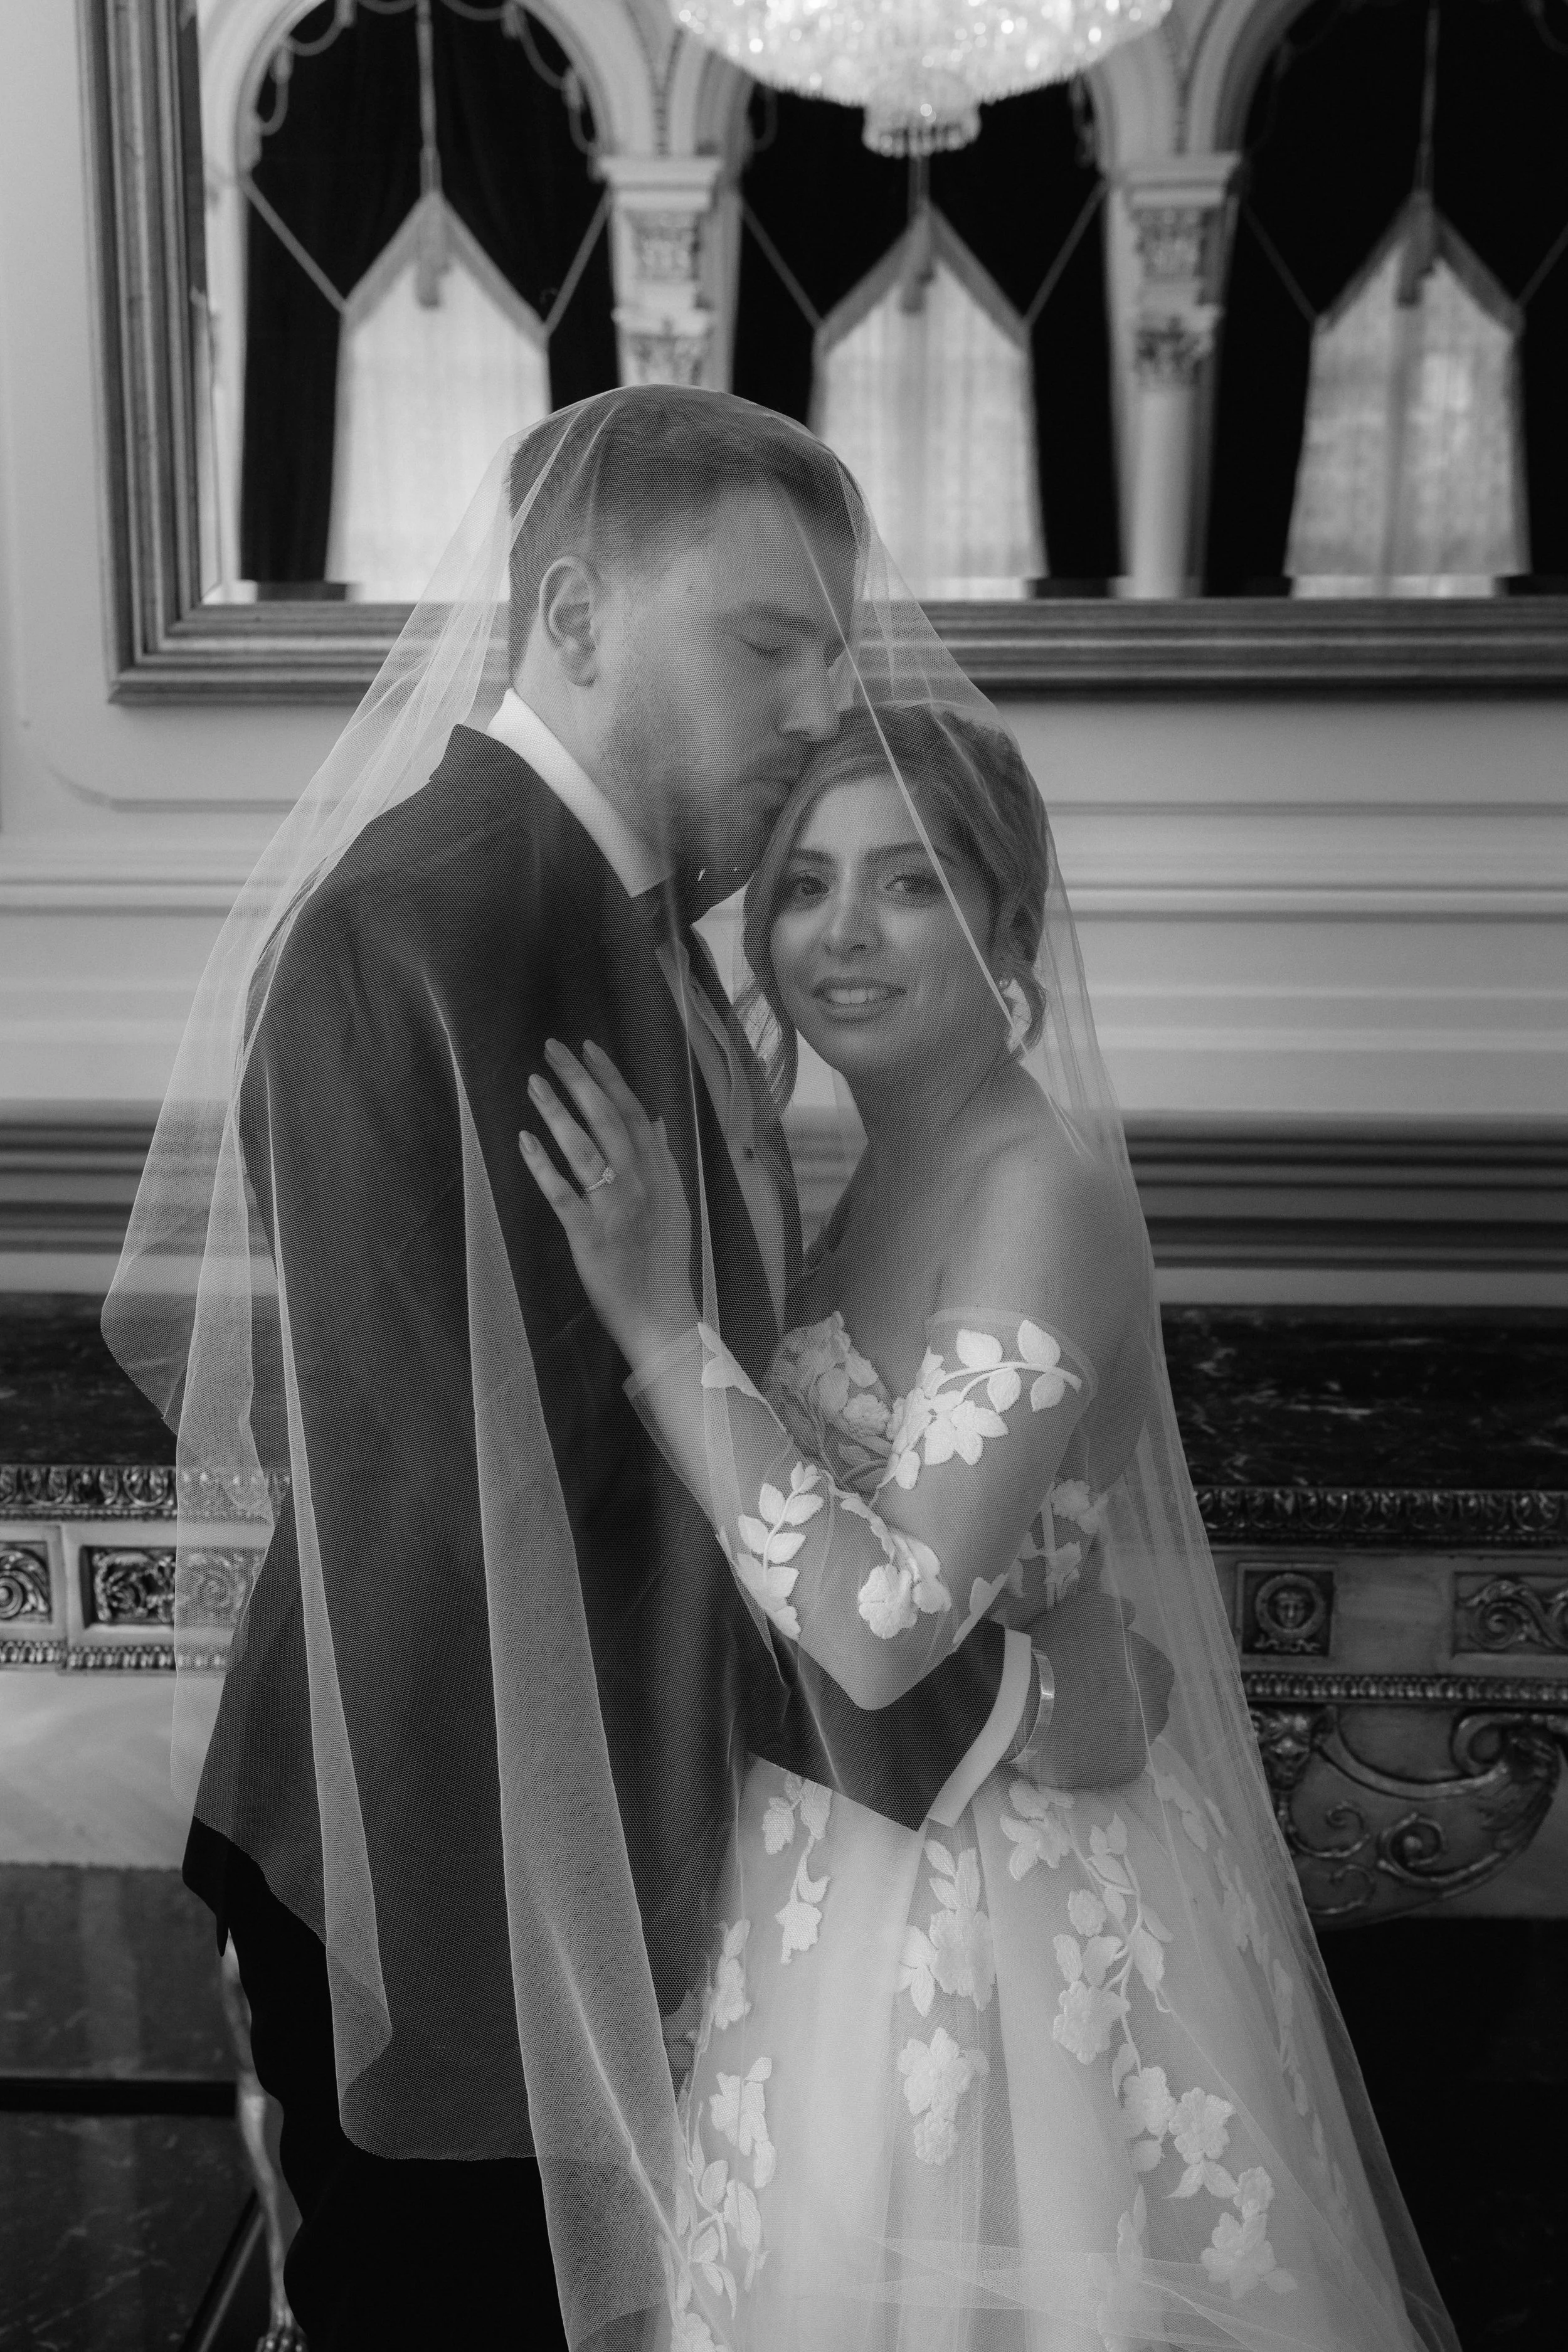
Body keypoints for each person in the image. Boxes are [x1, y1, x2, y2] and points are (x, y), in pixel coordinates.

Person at [102, 389, 1168, 2352]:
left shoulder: (640, 914)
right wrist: (971, 1693)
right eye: (755, 645)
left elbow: (702, 1397)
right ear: (581, 613)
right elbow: (460, 1527)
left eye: (819, 651)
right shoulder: (424, 924)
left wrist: (1003, 1582)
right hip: (443, 1878)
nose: (807, 707)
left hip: (617, 1857)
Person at [522, 701, 1460, 2351]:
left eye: (909, 883)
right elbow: (854, 1535)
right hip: (843, 1857)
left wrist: (661, 1327)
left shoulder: (1043, 1194)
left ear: (1008, 929)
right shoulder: (867, 1177)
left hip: (1009, 1912)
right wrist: (1039, 1630)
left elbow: (879, 1624)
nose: (846, 932)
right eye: (805, 886)